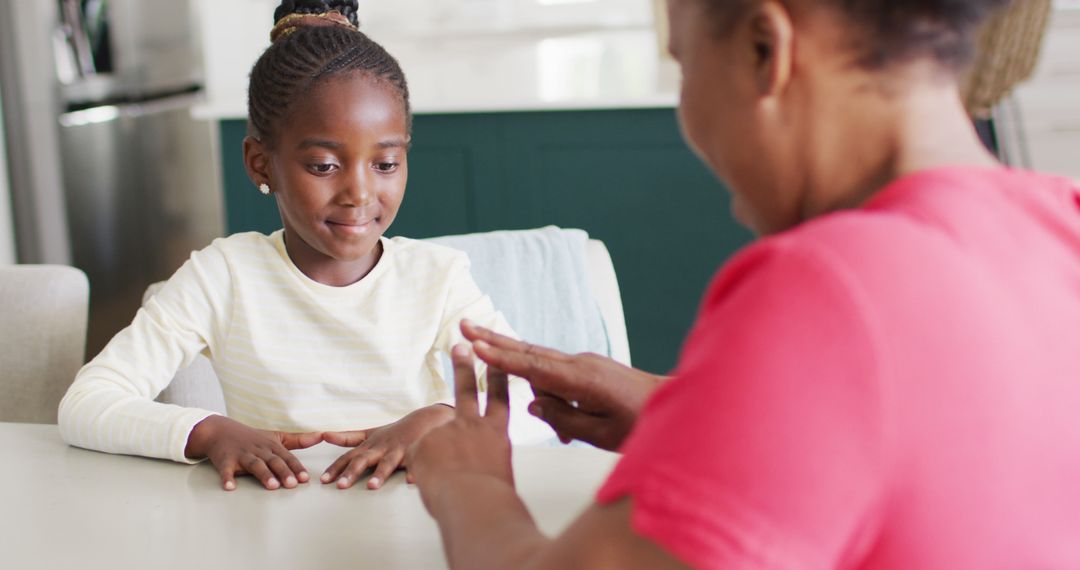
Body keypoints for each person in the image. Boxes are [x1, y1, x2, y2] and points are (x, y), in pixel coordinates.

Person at [405, 0, 1080, 567]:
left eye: (684, 64)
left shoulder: (829, 284)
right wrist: (684, 410)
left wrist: (468, 481)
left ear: (765, 48)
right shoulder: (1061, 227)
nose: (687, 108)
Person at [58, 0, 547, 493]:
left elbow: (538, 402)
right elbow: (87, 402)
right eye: (323, 166)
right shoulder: (224, 276)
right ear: (260, 164)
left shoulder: (438, 279)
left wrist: (443, 420)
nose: (359, 194)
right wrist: (207, 431)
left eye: (385, 164)